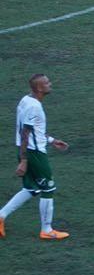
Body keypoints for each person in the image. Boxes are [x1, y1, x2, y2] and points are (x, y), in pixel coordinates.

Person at [0, 75, 70, 241]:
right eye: (46, 83)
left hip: (26, 149)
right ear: (39, 88)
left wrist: (51, 140)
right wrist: (24, 160)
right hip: (34, 153)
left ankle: (1, 215)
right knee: (48, 189)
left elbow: (33, 130)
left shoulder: (26, 100)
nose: (50, 84)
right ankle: (46, 230)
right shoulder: (34, 107)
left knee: (31, 188)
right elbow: (25, 133)